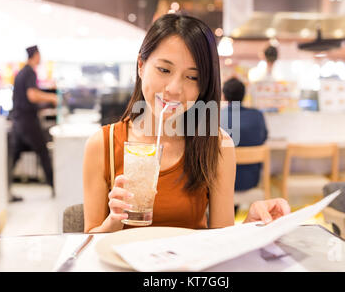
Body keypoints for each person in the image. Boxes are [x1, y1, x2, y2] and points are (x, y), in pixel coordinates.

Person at [83, 14, 290, 233]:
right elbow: (87, 245)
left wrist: (251, 226)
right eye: (164, 70)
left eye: (192, 77)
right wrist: (113, 223)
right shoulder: (102, 145)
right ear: (141, 66)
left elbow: (221, 241)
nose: (174, 88)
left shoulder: (217, 145)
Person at [9, 45, 57, 201]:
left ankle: (4, 190)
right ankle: (56, 188)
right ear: (35, 55)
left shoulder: (21, 72)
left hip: (18, 121)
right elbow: (32, 95)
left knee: (15, 156)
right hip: (28, 121)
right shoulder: (29, 71)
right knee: (43, 152)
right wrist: (51, 98)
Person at [220, 77, 268, 213]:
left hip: (223, 181)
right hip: (250, 180)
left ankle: (229, 216)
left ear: (224, 96)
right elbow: (263, 138)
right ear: (244, 95)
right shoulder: (257, 116)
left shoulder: (216, 116)